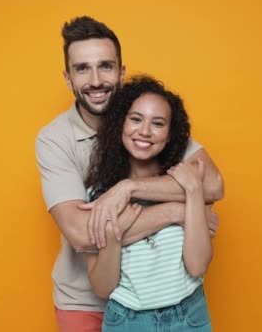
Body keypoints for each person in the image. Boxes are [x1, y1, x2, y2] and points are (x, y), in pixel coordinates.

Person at [35, 16, 224, 332]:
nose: (96, 80)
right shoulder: (54, 139)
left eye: (106, 66)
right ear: (68, 79)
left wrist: (127, 189)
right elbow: (84, 235)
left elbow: (213, 184)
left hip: (174, 304)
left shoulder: (148, 119)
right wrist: (180, 211)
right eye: (83, 68)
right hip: (86, 299)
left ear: (121, 72)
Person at [85, 75, 213, 331]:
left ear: (170, 135)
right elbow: (102, 287)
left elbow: (198, 265)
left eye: (158, 123)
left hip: (189, 317)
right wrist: (114, 235)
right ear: (120, 124)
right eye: (135, 119)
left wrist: (195, 191)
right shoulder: (102, 195)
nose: (144, 131)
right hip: (128, 321)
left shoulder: (184, 185)